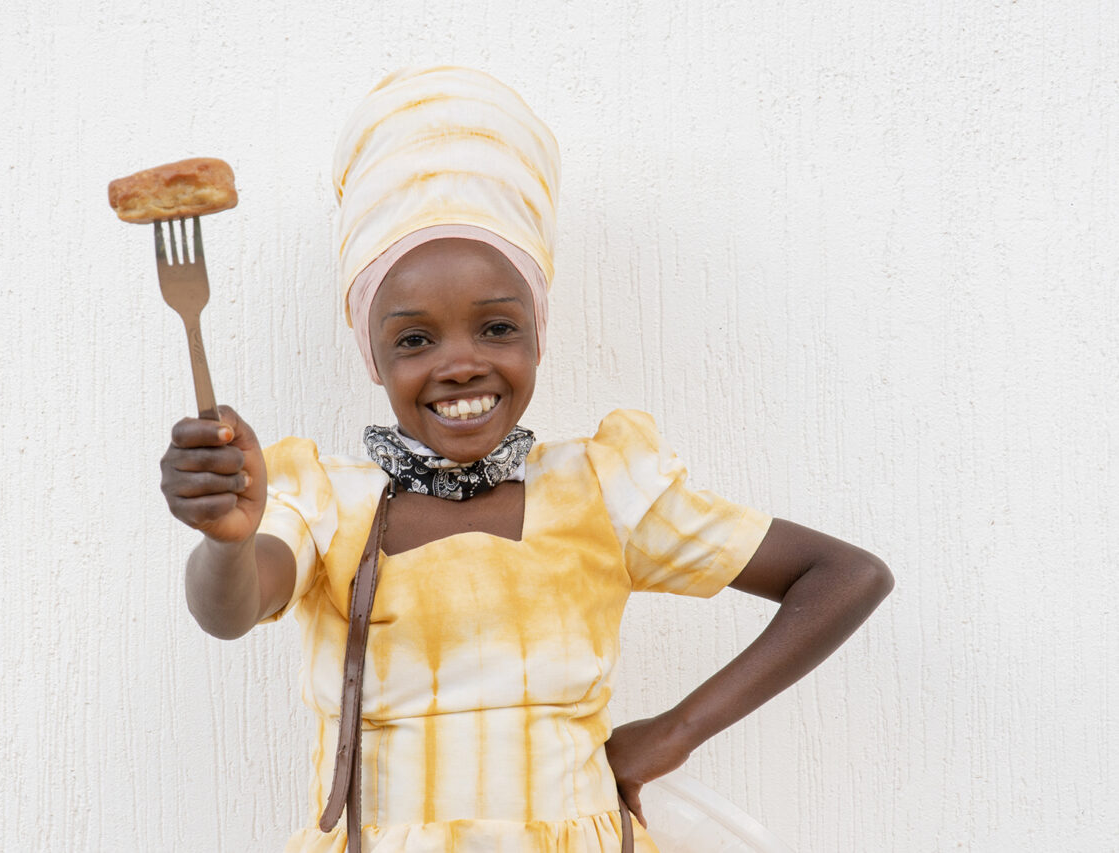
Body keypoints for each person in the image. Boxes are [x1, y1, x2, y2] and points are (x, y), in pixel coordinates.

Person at [159, 66, 893, 853]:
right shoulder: (327, 501)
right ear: (372, 357)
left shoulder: (603, 487)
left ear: (540, 331)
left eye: (498, 328)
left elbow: (846, 576)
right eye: (414, 339)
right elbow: (228, 610)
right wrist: (225, 541)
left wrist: (674, 732)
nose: (461, 362)